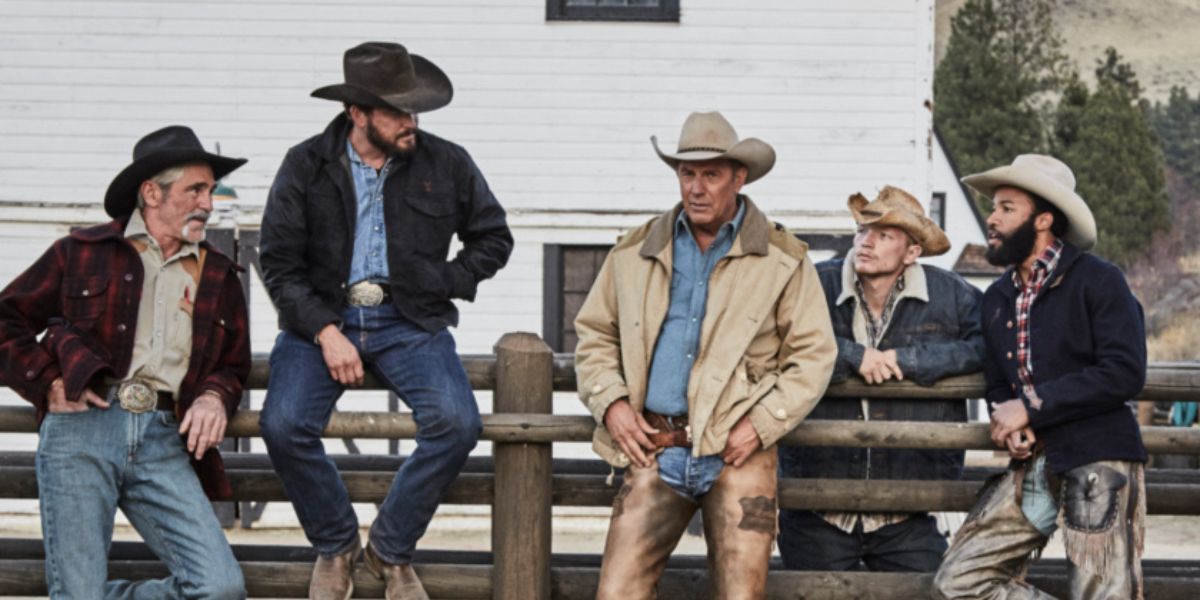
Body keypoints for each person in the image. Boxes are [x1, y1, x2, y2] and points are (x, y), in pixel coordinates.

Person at [258, 41, 513, 600]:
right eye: (397, 111)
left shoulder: (448, 161)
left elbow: (493, 238)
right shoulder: (304, 164)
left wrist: (442, 280)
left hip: (410, 319)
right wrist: (326, 331)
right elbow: (278, 263)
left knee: (457, 423)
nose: (411, 122)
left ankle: (390, 549)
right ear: (357, 113)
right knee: (282, 424)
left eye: (414, 109)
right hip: (322, 320)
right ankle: (335, 545)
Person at [574, 111, 836, 599]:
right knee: (617, 593)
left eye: (711, 174)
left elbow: (814, 355)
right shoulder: (633, 251)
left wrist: (761, 424)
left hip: (740, 453)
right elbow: (595, 335)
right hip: (654, 446)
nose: (696, 188)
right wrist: (611, 403)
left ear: (739, 178)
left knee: (740, 595)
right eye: (687, 173)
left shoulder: (782, 257)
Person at [0, 125, 251, 598]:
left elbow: (232, 365)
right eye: (196, 189)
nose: (208, 203)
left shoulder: (218, 273)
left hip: (163, 439)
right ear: (152, 193)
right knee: (78, 593)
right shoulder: (81, 252)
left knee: (219, 588)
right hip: (82, 429)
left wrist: (215, 397)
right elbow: (5, 320)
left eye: (210, 190)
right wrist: (47, 382)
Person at [932, 154, 1148, 599]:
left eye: (1007, 208)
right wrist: (1008, 419)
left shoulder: (1099, 280)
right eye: (994, 208)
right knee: (956, 583)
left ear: (1044, 219)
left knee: (1103, 593)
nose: (992, 219)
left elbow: (1125, 371)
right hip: (1034, 462)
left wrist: (1030, 407)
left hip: (1098, 456)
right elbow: (998, 379)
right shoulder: (997, 297)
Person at [777, 186, 985, 572]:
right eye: (862, 231)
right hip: (817, 501)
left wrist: (910, 360)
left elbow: (987, 347)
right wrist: (852, 355)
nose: (866, 243)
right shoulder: (812, 284)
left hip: (910, 510)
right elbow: (777, 337)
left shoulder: (953, 295)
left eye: (884, 235)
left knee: (924, 593)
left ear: (912, 252)